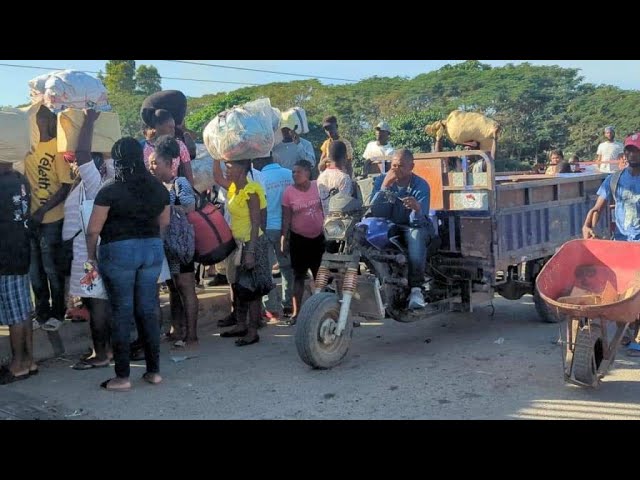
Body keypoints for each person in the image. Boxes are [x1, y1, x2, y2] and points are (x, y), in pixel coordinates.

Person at [86, 137, 170, 391]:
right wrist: (153, 244)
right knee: (148, 309)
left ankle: (122, 377)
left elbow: (93, 231)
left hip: (119, 250)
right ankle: (154, 372)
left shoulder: (109, 189)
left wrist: (91, 258)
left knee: (121, 312)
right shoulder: (158, 187)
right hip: (151, 249)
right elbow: (164, 222)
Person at [61, 110, 115, 370]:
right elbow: (104, 155)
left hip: (90, 253)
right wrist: (105, 140)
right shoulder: (108, 177)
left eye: (77, 163)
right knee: (100, 302)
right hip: (93, 250)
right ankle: (109, 351)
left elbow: (83, 155)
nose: (74, 165)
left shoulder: (96, 182)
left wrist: (90, 122)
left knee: (97, 304)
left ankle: (101, 355)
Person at [582, 133, 640, 354]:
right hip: (622, 245)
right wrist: (589, 224)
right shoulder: (614, 179)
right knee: (621, 290)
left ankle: (634, 333)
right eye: (628, 149)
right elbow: (598, 208)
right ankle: (626, 333)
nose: (631, 154)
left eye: (636, 150)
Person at [212, 158, 273, 346]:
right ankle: (241, 324)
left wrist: (251, 251)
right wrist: (216, 155)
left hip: (250, 244)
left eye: (229, 167)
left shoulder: (251, 190)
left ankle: (252, 330)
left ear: (242, 169)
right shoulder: (233, 188)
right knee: (239, 287)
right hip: (239, 244)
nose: (226, 170)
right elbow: (216, 177)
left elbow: (257, 223)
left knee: (252, 289)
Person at [25, 105, 73, 332]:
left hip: (52, 218)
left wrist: (42, 211)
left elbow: (65, 187)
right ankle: (41, 312)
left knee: (52, 268)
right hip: (31, 219)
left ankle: (58, 312)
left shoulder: (57, 147)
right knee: (35, 270)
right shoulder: (29, 148)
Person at [149, 135, 199, 350]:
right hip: (167, 247)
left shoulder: (180, 183)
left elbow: (190, 207)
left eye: (155, 162)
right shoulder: (156, 186)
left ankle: (192, 335)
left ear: (169, 164)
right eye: (150, 162)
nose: (151, 166)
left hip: (181, 247)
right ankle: (177, 329)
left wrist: (166, 209)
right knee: (174, 287)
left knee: (186, 287)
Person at [369, 149, 433, 309]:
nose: (396, 169)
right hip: (390, 224)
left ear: (411, 166)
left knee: (415, 235)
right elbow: (376, 212)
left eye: (401, 166)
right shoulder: (382, 181)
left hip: (414, 226)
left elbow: (419, 221)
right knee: (366, 232)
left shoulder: (421, 185)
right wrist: (384, 187)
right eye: (394, 165)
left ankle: (416, 289)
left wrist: (417, 208)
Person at [0, 158, 36, 384]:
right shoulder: (20, 178)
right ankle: (29, 360)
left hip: (6, 254)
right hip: (21, 249)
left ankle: (18, 364)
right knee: (23, 309)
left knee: (15, 313)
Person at [281, 160, 325, 325]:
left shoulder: (318, 186)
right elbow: (286, 218)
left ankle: (322, 310)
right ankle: (296, 313)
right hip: (299, 239)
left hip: (319, 238)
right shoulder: (288, 193)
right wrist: (283, 238)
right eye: (293, 172)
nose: (294, 175)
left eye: (298, 172)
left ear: (307, 172)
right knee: (298, 277)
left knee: (320, 277)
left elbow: (326, 207)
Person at [252, 153, 294, 321]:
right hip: (287, 229)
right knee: (287, 268)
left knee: (267, 269)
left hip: (267, 228)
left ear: (260, 160)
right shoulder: (289, 174)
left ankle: (271, 309)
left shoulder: (260, 178)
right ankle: (289, 304)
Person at [142, 109, 194, 185]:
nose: (173, 130)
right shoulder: (144, 148)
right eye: (170, 127)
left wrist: (189, 193)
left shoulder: (179, 145)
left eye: (173, 127)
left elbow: (188, 173)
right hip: (152, 192)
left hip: (174, 190)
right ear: (157, 127)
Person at [317, 141, 353, 215]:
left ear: (329, 157)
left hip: (326, 222)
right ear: (345, 157)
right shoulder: (344, 178)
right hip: (340, 223)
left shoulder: (321, 177)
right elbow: (344, 205)